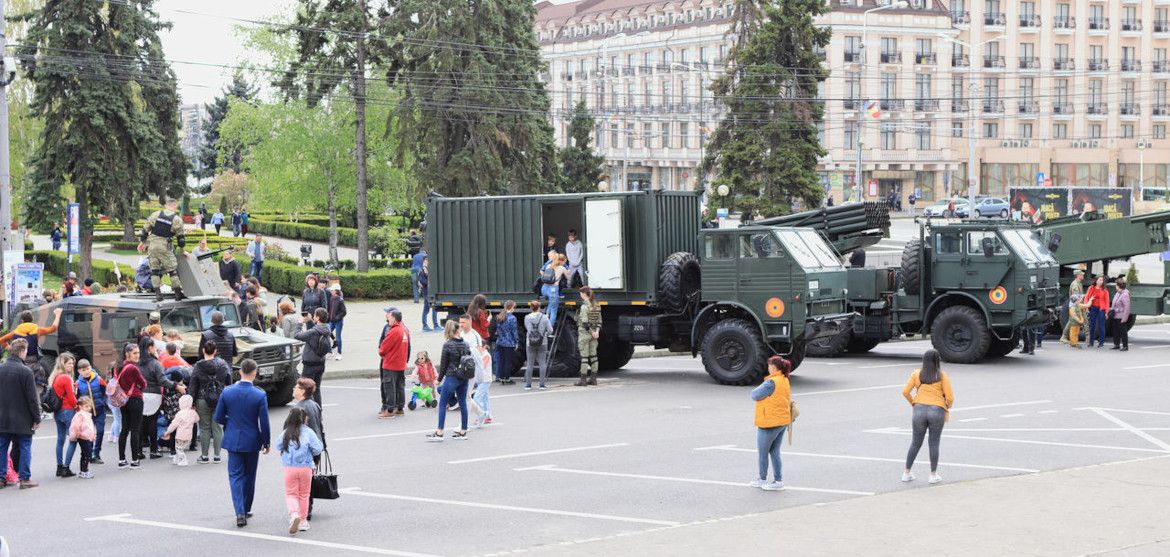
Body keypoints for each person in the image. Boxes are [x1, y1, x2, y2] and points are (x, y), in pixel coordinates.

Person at [214, 359, 271, 528]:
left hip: (233, 439)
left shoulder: (227, 392)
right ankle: (246, 508)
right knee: (249, 476)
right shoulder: (259, 394)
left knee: (235, 476)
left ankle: (239, 511)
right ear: (254, 373)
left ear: (240, 372)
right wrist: (266, 441)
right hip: (252, 439)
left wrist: (231, 423)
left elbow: (218, 417)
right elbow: (264, 422)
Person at [902, 349, 954, 484]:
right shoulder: (942, 376)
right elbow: (950, 398)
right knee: (934, 442)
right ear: (937, 361)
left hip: (919, 410)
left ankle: (906, 473)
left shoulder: (916, 374)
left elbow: (905, 392)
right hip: (937, 410)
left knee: (915, 442)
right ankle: (933, 475)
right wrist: (946, 406)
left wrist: (914, 403)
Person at [0, 339, 40, 489]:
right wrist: (37, 418)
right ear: (22, 351)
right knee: (25, 447)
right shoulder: (26, 371)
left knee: (1, 447)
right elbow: (32, 398)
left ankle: (1, 478)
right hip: (23, 418)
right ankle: (24, 479)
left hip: (2, 416)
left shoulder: (1, 368)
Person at [749, 356, 792, 491]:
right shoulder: (784, 379)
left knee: (763, 452)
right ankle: (778, 481)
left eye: (769, 365)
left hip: (769, 422)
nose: (768, 367)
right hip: (782, 421)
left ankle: (762, 479)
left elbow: (754, 394)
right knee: (774, 451)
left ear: (773, 367)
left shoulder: (771, 382)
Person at [138, 337, 184, 460]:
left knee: (141, 422)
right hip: (154, 394)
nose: (156, 349)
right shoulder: (155, 363)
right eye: (154, 347)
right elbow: (163, 380)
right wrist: (177, 386)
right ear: (149, 348)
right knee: (152, 422)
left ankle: (139, 451)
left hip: (141, 394)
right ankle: (153, 450)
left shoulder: (137, 363)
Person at [279, 407, 322, 535]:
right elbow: (317, 449)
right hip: (306, 467)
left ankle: (294, 514)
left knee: (291, 494)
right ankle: (303, 521)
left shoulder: (287, 432)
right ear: (304, 418)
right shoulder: (308, 432)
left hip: (289, 468)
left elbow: (278, 445)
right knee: (304, 495)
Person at [188, 341, 231, 464]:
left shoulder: (198, 366)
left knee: (204, 427)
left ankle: (205, 456)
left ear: (203, 351)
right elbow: (228, 381)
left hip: (202, 399)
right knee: (217, 427)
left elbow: (193, 385)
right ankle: (217, 456)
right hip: (220, 399)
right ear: (215, 351)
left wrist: (192, 401)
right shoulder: (223, 364)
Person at [428, 322, 471, 441]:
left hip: (452, 377)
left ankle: (440, 432)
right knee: (463, 403)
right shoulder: (466, 344)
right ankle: (463, 432)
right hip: (464, 377)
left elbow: (443, 365)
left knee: (442, 404)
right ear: (457, 330)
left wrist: (439, 379)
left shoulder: (447, 345)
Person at [0, 308, 62, 391]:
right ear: (32, 318)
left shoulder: (15, 332)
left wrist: (10, 349)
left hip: (19, 361)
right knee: (37, 385)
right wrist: (58, 314)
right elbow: (53, 328)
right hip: (34, 363)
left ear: (22, 320)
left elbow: (1, 340)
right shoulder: (37, 330)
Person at [139, 197, 186, 300]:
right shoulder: (177, 219)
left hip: (152, 247)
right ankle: (178, 294)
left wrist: (142, 243)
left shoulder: (155, 214)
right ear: (176, 206)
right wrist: (183, 250)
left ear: (165, 205)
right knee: (172, 271)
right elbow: (181, 240)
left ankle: (158, 294)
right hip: (164, 247)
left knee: (154, 271)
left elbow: (144, 231)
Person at [116, 342, 147, 469]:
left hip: (123, 400)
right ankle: (135, 460)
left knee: (124, 429)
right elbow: (143, 384)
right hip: (135, 399)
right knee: (135, 430)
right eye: (135, 353)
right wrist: (138, 386)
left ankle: (122, 460)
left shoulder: (118, 366)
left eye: (138, 352)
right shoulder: (133, 368)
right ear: (127, 354)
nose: (137, 355)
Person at [48, 353, 79, 478]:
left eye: (72, 363)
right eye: (69, 363)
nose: (71, 366)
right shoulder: (66, 377)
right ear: (63, 364)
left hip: (58, 412)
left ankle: (59, 467)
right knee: (73, 439)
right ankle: (66, 468)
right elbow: (71, 398)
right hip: (68, 411)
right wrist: (78, 408)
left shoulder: (55, 376)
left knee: (60, 440)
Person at [296, 308, 333, 407]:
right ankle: (318, 411)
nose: (313, 317)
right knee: (316, 389)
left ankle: (308, 411)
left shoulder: (313, 332)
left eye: (315, 316)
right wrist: (311, 321)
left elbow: (297, 335)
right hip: (321, 363)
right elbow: (317, 329)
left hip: (310, 365)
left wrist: (300, 323)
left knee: (305, 389)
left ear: (318, 317)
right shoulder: (327, 329)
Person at [377, 308, 411, 418]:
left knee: (389, 386)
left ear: (394, 319)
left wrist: (380, 352)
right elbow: (408, 347)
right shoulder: (405, 329)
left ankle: (390, 410)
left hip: (391, 363)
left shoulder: (394, 331)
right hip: (400, 363)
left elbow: (383, 347)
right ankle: (400, 408)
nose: (388, 319)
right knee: (400, 386)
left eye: (390, 317)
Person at [74, 359, 107, 464]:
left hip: (100, 410)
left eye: (88, 369)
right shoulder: (78, 384)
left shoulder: (99, 379)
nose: (86, 371)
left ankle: (96, 454)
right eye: (83, 370)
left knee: (100, 432)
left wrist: (103, 402)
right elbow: (76, 399)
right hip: (87, 414)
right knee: (89, 434)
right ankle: (90, 454)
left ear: (91, 368)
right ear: (79, 371)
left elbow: (105, 392)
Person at [574, 287, 602, 386]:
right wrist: (596, 332)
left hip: (585, 334)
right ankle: (593, 379)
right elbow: (599, 322)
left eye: (580, 293)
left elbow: (585, 323)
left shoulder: (584, 307)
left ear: (584, 294)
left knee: (584, 358)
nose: (580, 295)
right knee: (594, 357)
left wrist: (591, 332)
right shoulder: (597, 306)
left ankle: (583, 380)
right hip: (594, 334)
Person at [162, 395, 199, 466]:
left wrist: (168, 431)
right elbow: (197, 419)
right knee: (180, 448)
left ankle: (183, 460)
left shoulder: (179, 414)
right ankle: (176, 459)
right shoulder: (193, 413)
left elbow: (174, 424)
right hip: (189, 436)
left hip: (180, 436)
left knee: (178, 449)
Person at [524, 300, 552, 390]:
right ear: (539, 308)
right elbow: (550, 330)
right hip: (542, 342)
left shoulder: (527, 317)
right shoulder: (544, 317)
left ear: (531, 308)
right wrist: (545, 335)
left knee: (530, 363)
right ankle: (542, 385)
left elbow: (527, 328)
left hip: (530, 342)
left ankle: (528, 385)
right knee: (542, 363)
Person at [67, 396, 97, 479]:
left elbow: (91, 426)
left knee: (86, 454)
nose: (88, 408)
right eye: (86, 406)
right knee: (86, 454)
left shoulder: (87, 414)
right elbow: (76, 426)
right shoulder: (80, 415)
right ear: (80, 406)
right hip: (83, 437)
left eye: (89, 406)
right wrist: (77, 434)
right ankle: (84, 471)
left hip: (88, 437)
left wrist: (93, 435)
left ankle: (84, 470)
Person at [494, 301, 519, 385]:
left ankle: (501, 378)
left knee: (501, 360)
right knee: (508, 361)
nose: (514, 309)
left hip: (500, 342)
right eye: (514, 307)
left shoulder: (500, 316)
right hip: (509, 342)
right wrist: (516, 342)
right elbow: (514, 331)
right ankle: (507, 379)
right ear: (511, 307)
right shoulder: (512, 318)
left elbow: (497, 330)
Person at [539, 253, 568, 325]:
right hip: (553, 290)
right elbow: (568, 277)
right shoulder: (562, 268)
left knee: (551, 303)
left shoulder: (548, 266)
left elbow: (542, 272)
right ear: (560, 260)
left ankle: (546, 315)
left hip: (544, 289)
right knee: (554, 311)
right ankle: (550, 329)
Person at [470, 343, 493, 427]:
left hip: (485, 380)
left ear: (484, 346)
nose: (477, 348)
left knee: (477, 398)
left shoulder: (486, 355)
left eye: (478, 347)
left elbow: (482, 366)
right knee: (485, 399)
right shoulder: (480, 355)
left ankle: (481, 415)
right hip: (481, 380)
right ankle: (488, 416)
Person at [1084, 275, 1111, 349]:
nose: (1101, 281)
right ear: (1096, 281)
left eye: (1102, 280)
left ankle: (1101, 342)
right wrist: (1086, 307)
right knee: (1092, 325)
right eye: (1100, 280)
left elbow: (1107, 302)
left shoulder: (1105, 290)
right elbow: (1086, 298)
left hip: (1101, 309)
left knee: (1101, 326)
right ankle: (1091, 342)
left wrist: (1106, 312)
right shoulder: (1091, 288)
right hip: (1093, 308)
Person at [1060, 269, 1086, 344]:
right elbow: (1075, 297)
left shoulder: (1078, 283)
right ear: (1078, 275)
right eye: (1081, 274)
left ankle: (1065, 337)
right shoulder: (1075, 285)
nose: (1083, 275)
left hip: (1075, 305)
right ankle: (1064, 337)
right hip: (1075, 306)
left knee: (1071, 321)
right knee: (1072, 321)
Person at [419, 257, 440, 332]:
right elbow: (422, 281)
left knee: (430, 308)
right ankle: (427, 325)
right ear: (424, 262)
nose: (427, 262)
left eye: (428, 261)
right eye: (426, 261)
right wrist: (430, 283)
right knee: (428, 309)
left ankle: (434, 325)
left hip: (430, 292)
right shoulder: (422, 270)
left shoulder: (428, 269)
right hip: (426, 292)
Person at [326, 284, 347, 360]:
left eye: (332, 290)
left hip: (338, 322)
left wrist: (337, 317)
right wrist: (328, 318)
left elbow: (344, 312)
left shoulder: (340, 300)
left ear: (336, 291)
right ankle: (329, 352)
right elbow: (330, 309)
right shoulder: (331, 298)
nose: (331, 291)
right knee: (326, 334)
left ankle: (339, 353)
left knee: (338, 337)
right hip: (331, 321)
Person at [1112, 279, 1131, 351]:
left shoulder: (1125, 294)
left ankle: (1125, 346)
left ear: (1118, 286)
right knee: (1116, 331)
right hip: (1115, 315)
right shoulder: (1117, 293)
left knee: (1123, 332)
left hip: (1121, 316)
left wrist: (1124, 318)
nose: (1115, 286)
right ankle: (1116, 344)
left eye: (1116, 285)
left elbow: (1127, 307)